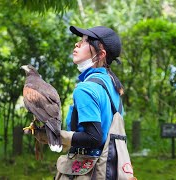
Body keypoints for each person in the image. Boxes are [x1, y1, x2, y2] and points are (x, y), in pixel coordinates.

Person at [26, 25, 135, 180]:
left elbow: (94, 138)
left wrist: (56, 136)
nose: (77, 44)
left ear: (101, 54)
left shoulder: (86, 88)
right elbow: (103, 136)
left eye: (85, 42)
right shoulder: (113, 85)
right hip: (113, 171)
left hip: (90, 173)